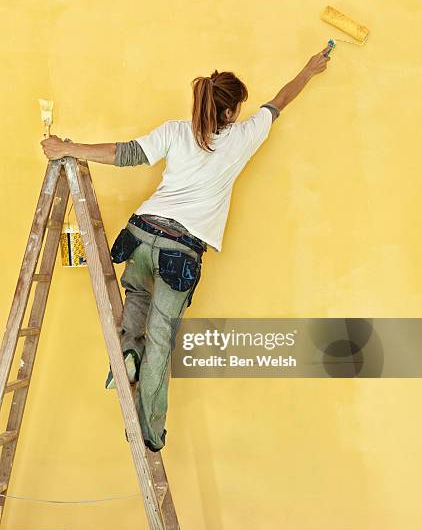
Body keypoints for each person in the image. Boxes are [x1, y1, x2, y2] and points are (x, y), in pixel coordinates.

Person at [40, 46, 331, 451]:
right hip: (181, 251)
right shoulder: (243, 138)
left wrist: (70, 148)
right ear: (230, 113)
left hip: (141, 235)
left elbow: (124, 154)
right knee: (160, 338)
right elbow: (280, 100)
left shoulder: (176, 131)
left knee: (137, 296)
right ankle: (150, 431)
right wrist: (310, 69)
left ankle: (127, 352)